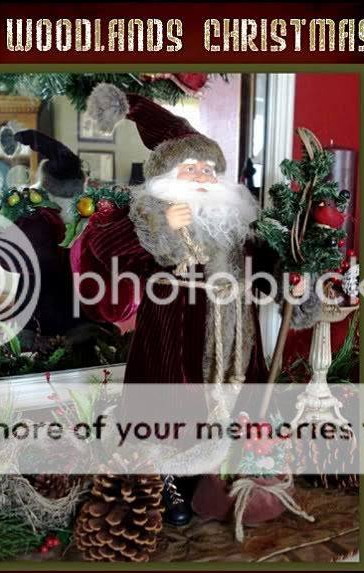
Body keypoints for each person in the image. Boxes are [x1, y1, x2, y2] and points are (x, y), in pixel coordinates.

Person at [76, 84, 272, 524]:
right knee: (169, 407)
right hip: (171, 330)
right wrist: (161, 227)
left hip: (233, 334)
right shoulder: (147, 213)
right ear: (167, 176)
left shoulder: (234, 220)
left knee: (231, 405)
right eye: (191, 168)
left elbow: (262, 264)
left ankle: (224, 476)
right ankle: (166, 480)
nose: (202, 175)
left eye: (209, 169)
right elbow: (105, 247)